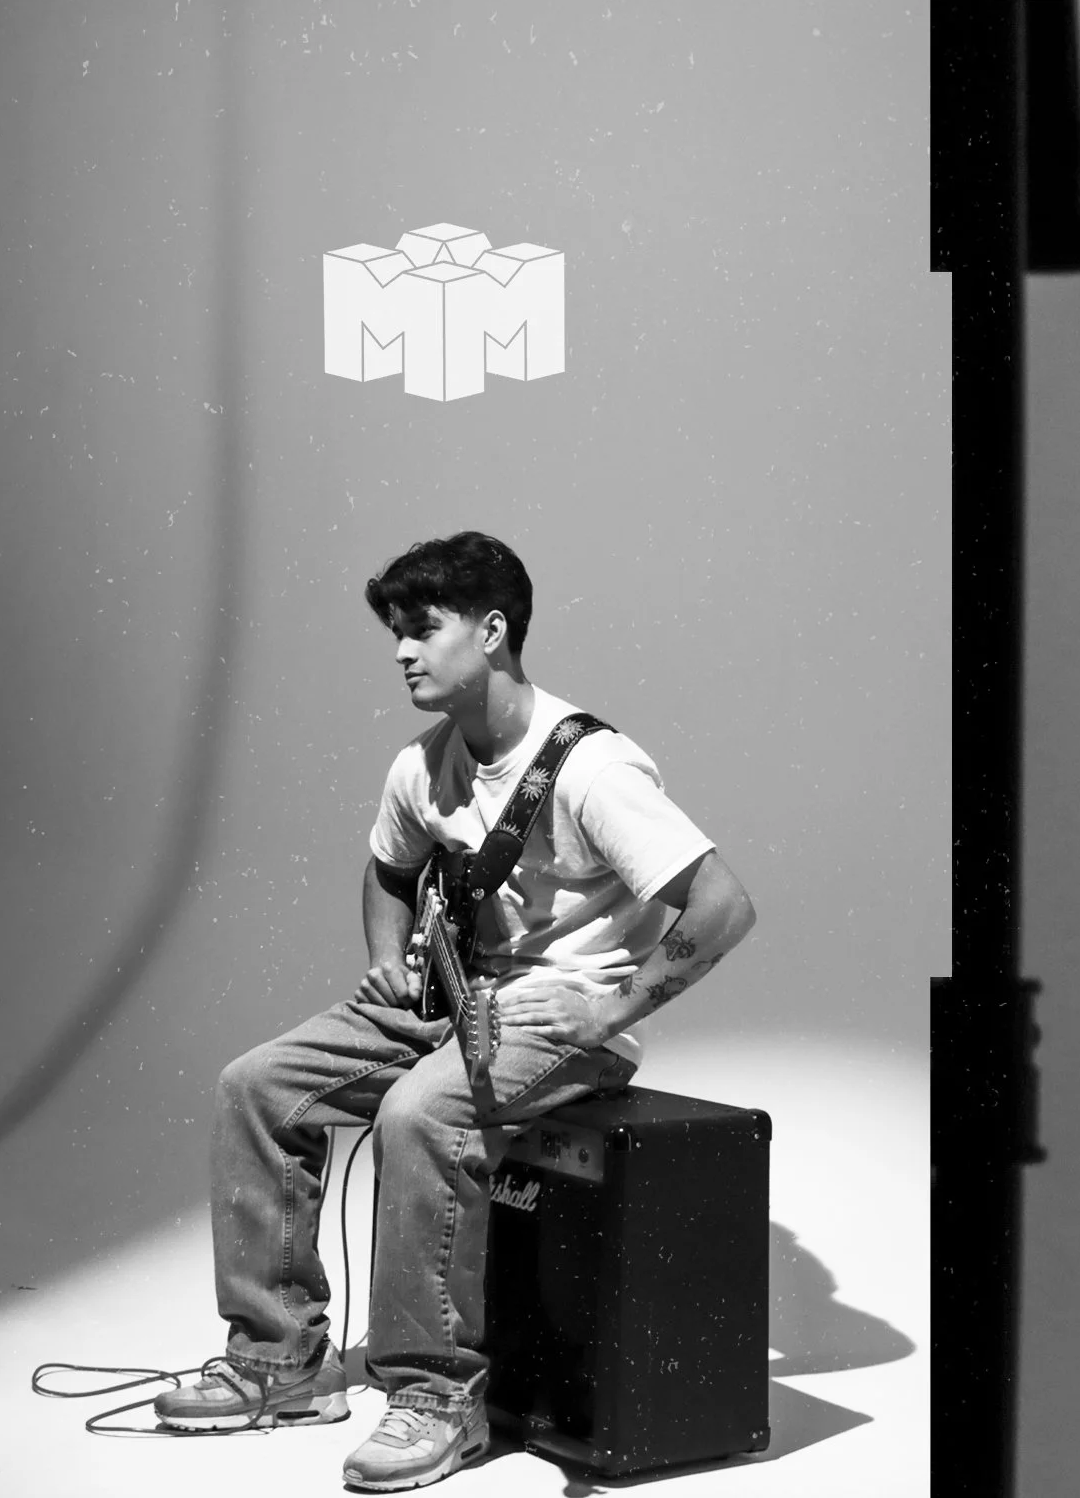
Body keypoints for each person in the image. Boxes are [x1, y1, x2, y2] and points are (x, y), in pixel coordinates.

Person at [155, 531, 756, 1491]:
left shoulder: (593, 770)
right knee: (257, 1086)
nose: (401, 651)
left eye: (422, 630)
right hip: (452, 1007)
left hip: (557, 1020)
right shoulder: (421, 764)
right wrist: (388, 963)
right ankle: (278, 1360)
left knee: (419, 1112)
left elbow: (723, 905)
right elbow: (388, 869)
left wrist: (616, 1010)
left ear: (492, 629)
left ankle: (437, 1396)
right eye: (395, 632)